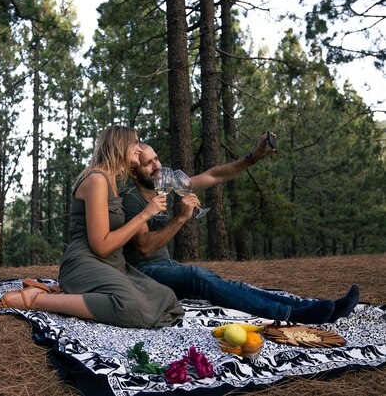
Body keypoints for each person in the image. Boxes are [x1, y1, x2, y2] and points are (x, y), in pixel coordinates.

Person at [120, 134, 360, 324]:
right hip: (143, 273)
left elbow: (213, 175)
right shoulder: (131, 199)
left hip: (166, 267)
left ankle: (316, 308)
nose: (157, 166)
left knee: (234, 286)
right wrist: (181, 219)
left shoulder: (165, 184)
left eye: (156, 159)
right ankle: (290, 315)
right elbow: (143, 247)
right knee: (199, 277)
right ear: (132, 171)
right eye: (147, 164)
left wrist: (253, 157)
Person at [0, 125, 185, 328]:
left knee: (166, 298)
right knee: (132, 308)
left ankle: (66, 293)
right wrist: (145, 214)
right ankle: (34, 299)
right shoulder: (97, 180)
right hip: (84, 262)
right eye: (134, 143)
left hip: (112, 264)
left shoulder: (111, 180)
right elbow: (100, 246)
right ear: (119, 146)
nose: (139, 148)